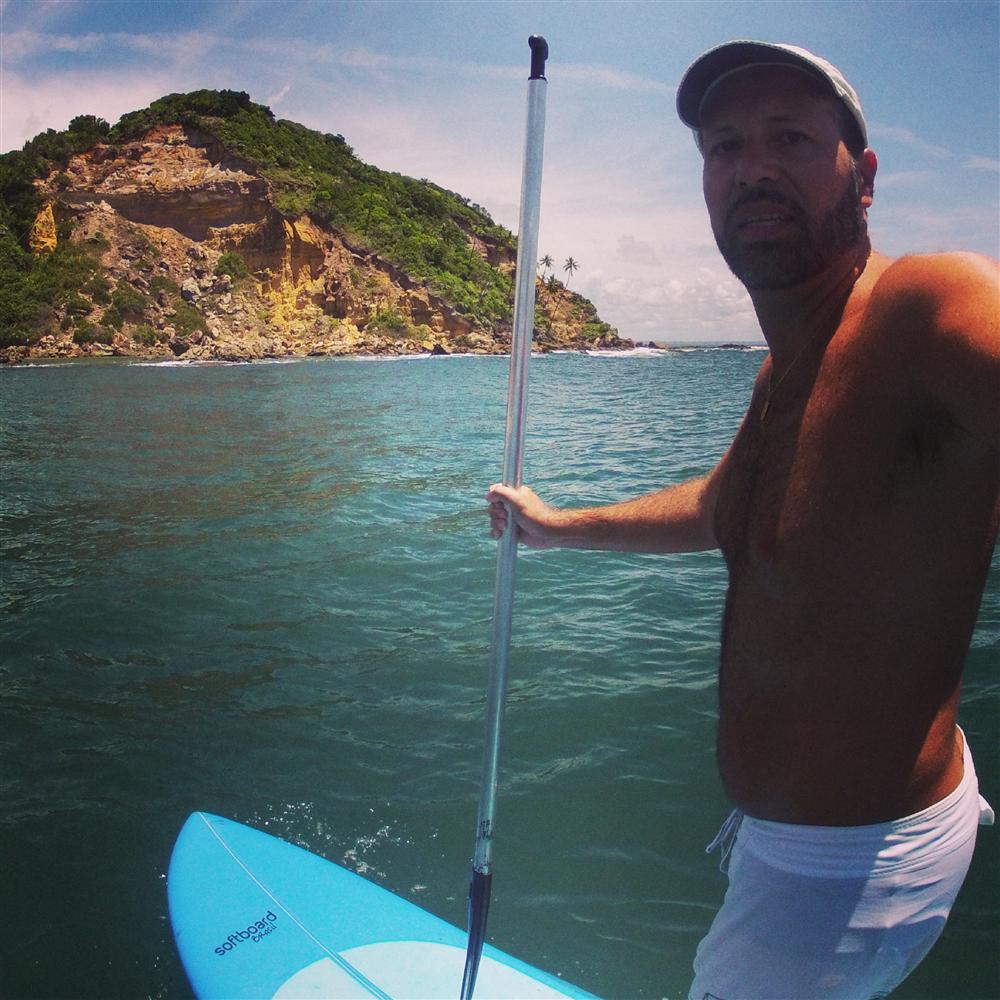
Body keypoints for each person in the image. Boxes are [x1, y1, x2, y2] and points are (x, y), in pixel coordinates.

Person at [486, 41, 998, 1000]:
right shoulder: (785, 366)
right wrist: (562, 525)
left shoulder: (932, 306)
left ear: (865, 176)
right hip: (802, 843)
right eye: (725, 146)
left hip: (849, 870)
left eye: (790, 138)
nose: (752, 167)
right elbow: (730, 506)